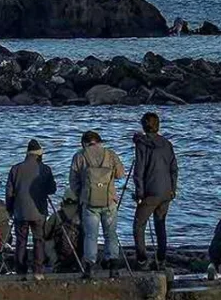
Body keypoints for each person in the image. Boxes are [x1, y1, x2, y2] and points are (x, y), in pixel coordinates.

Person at [71, 130, 125, 276]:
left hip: (89, 202)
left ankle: (89, 266)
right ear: (99, 141)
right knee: (111, 234)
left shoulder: (79, 155)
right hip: (109, 200)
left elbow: (73, 182)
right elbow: (120, 174)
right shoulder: (111, 154)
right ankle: (113, 265)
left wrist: (79, 196)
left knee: (90, 235)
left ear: (84, 143)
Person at [132, 111, 178, 269]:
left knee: (139, 225)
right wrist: (173, 189)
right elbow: (174, 168)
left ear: (144, 126)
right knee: (160, 224)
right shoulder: (166, 143)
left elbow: (139, 170)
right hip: (166, 191)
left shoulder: (142, 144)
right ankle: (161, 258)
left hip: (150, 191)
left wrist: (139, 192)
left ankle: (142, 259)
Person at [5, 138, 57, 278]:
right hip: (39, 211)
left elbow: (9, 193)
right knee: (38, 240)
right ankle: (38, 271)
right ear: (39, 154)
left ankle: (20, 271)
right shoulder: (45, 169)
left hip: (20, 212)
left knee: (20, 241)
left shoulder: (15, 169)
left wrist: (9, 210)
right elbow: (52, 189)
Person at [43, 188, 83, 271]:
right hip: (78, 255)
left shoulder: (56, 216)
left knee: (47, 242)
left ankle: (55, 263)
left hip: (60, 255)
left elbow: (45, 233)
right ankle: (82, 263)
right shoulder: (82, 215)